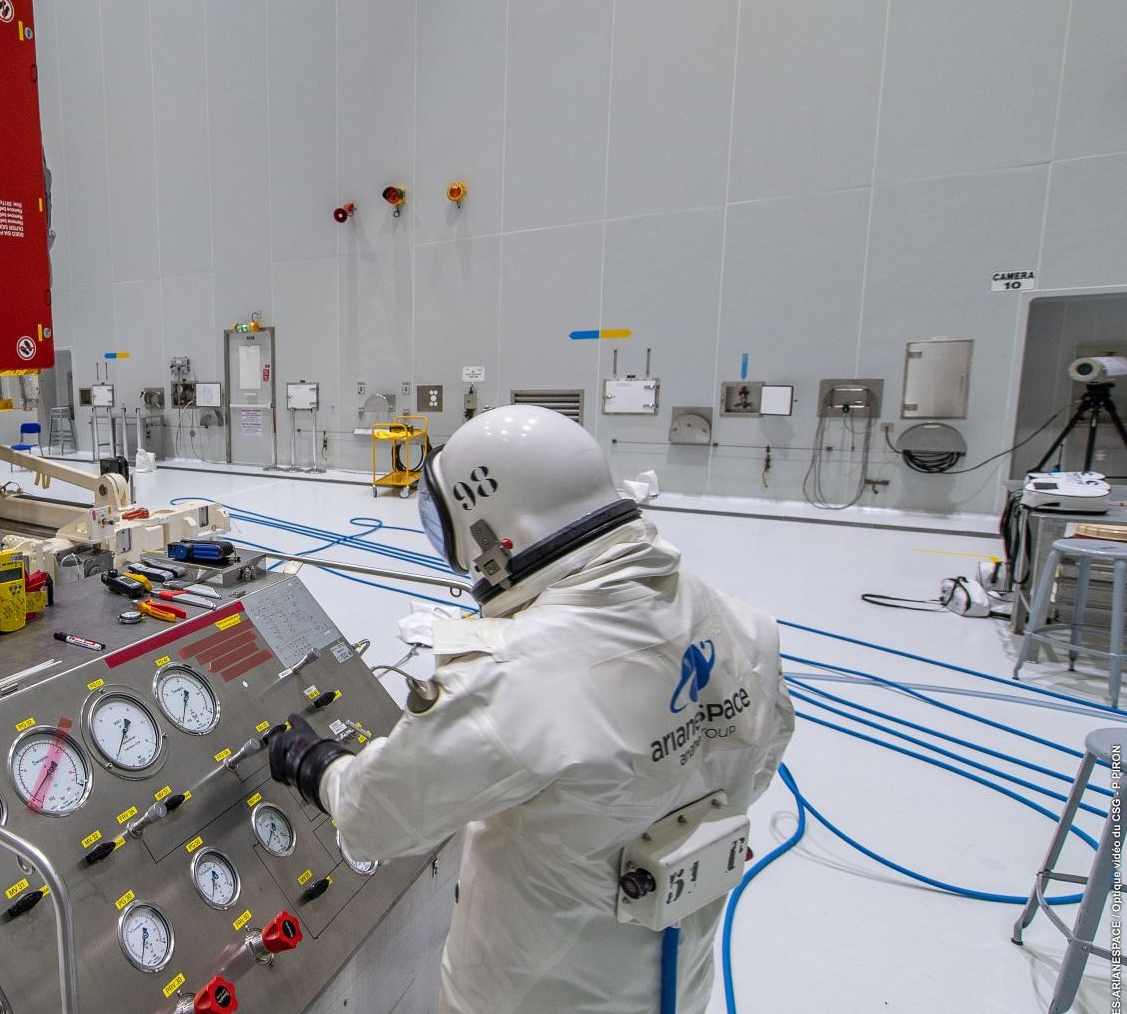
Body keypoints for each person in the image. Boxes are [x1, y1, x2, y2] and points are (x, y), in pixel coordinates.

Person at [267, 405, 794, 1013]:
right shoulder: (739, 622)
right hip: (677, 984)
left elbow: (376, 817)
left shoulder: (514, 675)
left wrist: (315, 762)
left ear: (492, 532)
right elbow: (759, 765)